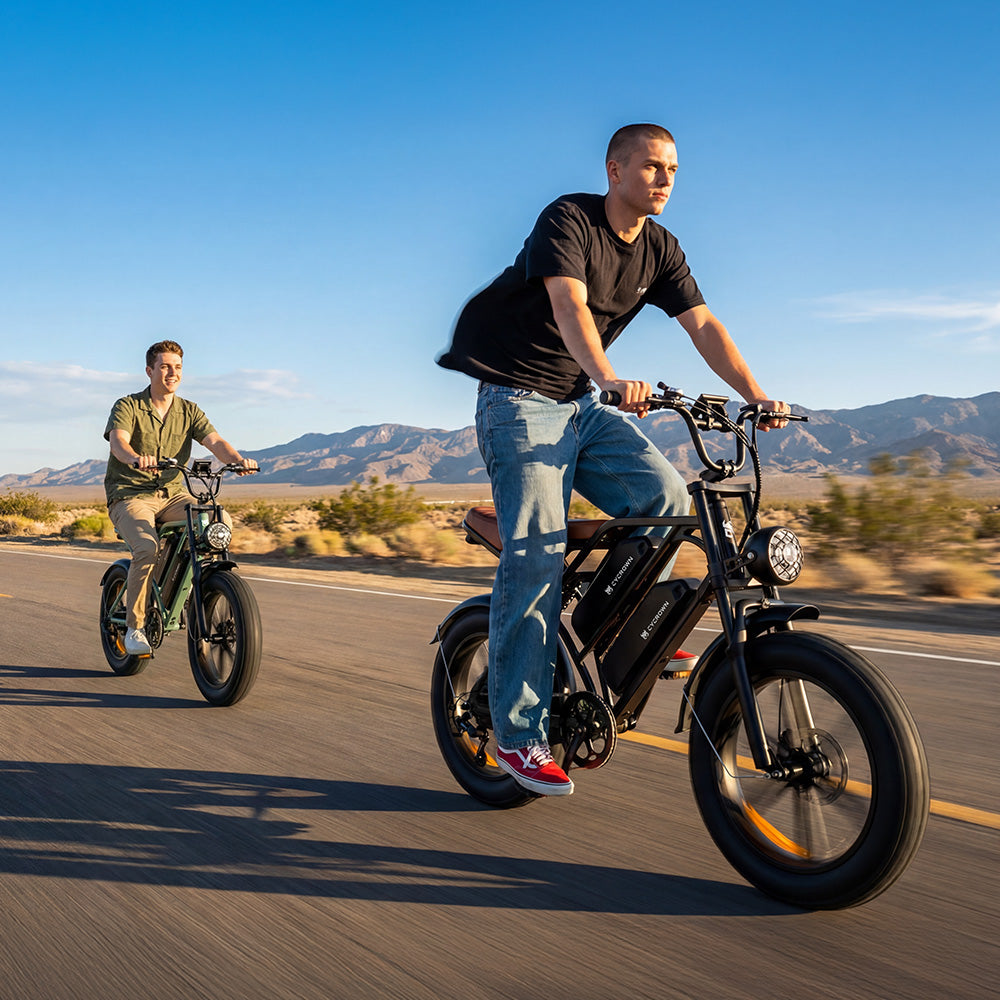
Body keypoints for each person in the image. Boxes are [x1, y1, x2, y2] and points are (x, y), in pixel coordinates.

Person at [437, 123, 789, 797]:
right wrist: (607, 376)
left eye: (673, 169)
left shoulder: (660, 247)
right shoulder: (569, 219)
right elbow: (569, 304)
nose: (665, 179)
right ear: (615, 170)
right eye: (653, 166)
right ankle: (516, 733)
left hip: (580, 404)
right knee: (535, 555)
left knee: (668, 502)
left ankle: (622, 633)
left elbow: (704, 324)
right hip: (518, 400)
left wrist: (756, 394)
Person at [104, 340, 258, 655]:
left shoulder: (189, 411)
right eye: (164, 366)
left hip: (173, 495)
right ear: (149, 371)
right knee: (146, 548)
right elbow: (118, 442)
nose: (172, 373)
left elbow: (215, 441)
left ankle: (190, 588)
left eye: (177, 367)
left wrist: (237, 460)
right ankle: (135, 628)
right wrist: (135, 458)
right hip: (131, 495)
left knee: (218, 521)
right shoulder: (128, 406)